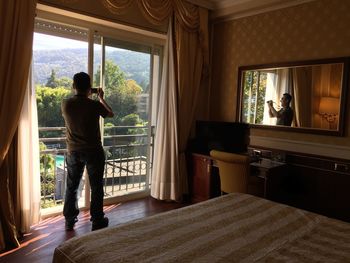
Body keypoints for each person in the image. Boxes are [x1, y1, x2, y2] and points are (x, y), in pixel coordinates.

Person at [61, 72, 114, 231]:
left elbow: (78, 100)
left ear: (73, 86)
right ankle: (97, 219)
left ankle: (70, 219)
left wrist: (86, 91)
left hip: (73, 151)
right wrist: (101, 98)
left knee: (72, 186)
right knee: (97, 186)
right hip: (93, 151)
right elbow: (110, 114)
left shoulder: (66, 104)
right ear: (89, 86)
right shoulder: (94, 105)